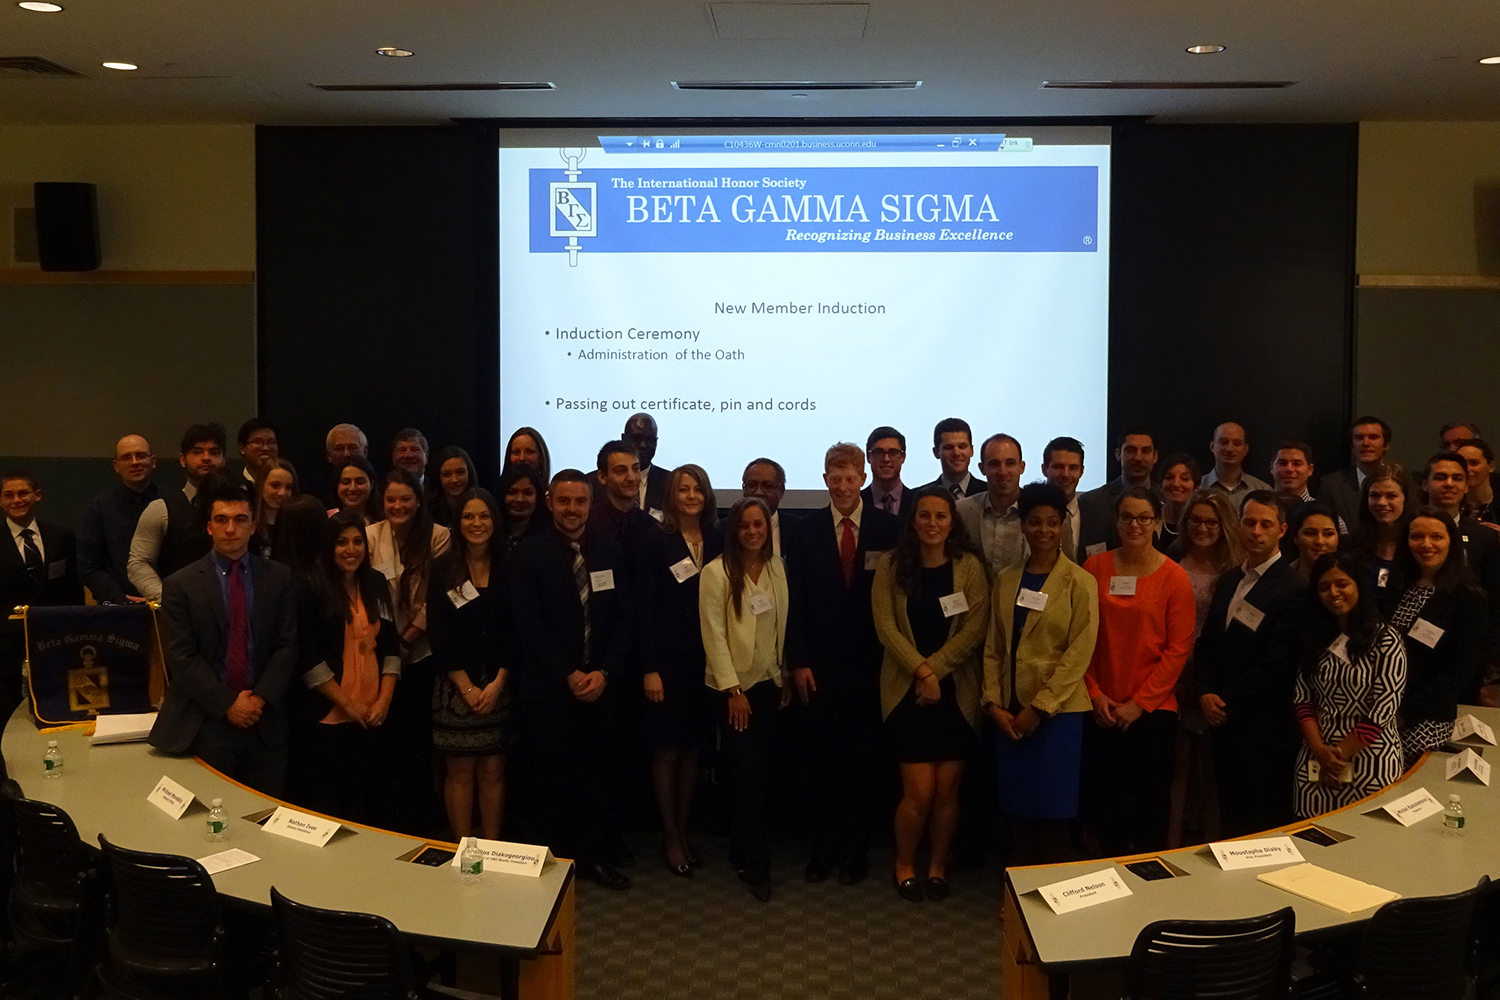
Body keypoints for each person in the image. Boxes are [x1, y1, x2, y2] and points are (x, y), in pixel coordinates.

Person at [509, 470, 633, 889]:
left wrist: (603, 673)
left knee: (594, 777)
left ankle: (592, 857)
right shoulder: (529, 554)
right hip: (550, 689)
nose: (572, 510)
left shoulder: (610, 551)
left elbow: (623, 622)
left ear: (589, 503)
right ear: (550, 502)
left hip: (600, 688)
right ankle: (548, 868)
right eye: (564, 501)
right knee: (548, 778)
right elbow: (528, 624)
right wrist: (568, 673)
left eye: (580, 501)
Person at [785, 443, 902, 885]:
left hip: (872, 666)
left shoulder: (888, 528)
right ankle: (823, 848)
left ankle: (856, 850)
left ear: (862, 479)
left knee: (863, 761)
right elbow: (794, 602)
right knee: (821, 761)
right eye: (835, 478)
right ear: (824, 479)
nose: (842, 486)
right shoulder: (805, 530)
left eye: (851, 478)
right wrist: (798, 661)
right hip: (818, 666)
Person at [872, 488, 989, 901]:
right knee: (918, 792)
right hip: (907, 693)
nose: (933, 524)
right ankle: (904, 863)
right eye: (925, 516)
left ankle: (938, 865)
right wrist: (922, 673)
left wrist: (935, 672)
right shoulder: (891, 565)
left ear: (952, 522)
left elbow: (975, 629)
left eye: (941, 517)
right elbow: (886, 628)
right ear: (913, 521)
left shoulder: (969, 567)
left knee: (946, 793)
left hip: (958, 694)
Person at [148, 480, 297, 795]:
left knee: (267, 818)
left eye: (240, 520)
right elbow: (181, 657)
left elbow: (287, 645)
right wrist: (229, 703)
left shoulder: (278, 577)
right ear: (209, 527)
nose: (231, 528)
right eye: (222, 520)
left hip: (265, 721)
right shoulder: (180, 585)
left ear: (253, 526)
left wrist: (257, 700)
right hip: (208, 721)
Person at [980, 483, 1098, 865]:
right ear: (1023, 526)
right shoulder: (1007, 579)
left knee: (1053, 812)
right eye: (1035, 523)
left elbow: (1079, 653)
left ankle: (1051, 902)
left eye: (1052, 522)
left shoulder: (1080, 581)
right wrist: (994, 703)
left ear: (1063, 524)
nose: (1043, 530)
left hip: (1058, 714)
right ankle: (1017, 900)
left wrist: (1040, 708)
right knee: (1017, 810)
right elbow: (994, 647)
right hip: (1010, 711)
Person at [1081, 488, 1195, 855]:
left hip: (1152, 711)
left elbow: (1178, 649)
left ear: (1157, 522)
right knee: (1105, 805)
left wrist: (1139, 704)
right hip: (1099, 706)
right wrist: (1095, 694)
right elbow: (1080, 638)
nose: (1135, 524)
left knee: (1150, 807)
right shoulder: (1094, 568)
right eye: (1127, 517)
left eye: (1144, 517)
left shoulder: (1174, 577)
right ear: (1116, 521)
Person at [1195, 489, 1306, 836]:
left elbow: (1276, 664)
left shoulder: (1292, 588)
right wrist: (1203, 692)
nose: (1256, 531)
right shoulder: (1230, 579)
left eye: (1265, 524)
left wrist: (1225, 701)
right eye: (1249, 522)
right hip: (1221, 720)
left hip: (1263, 728)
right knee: (1229, 816)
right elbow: (1208, 643)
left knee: (1262, 822)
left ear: (1282, 530)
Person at [633, 464, 722, 876]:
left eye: (697, 489)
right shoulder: (656, 540)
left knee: (692, 748)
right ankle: (670, 837)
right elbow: (644, 609)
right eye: (683, 489)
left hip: (706, 661)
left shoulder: (719, 539)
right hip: (666, 661)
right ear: (672, 496)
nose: (690, 496)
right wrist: (649, 667)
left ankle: (684, 831)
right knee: (667, 749)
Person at [700, 497, 789, 901]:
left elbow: (778, 628)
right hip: (733, 691)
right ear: (732, 531)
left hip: (770, 686)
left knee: (762, 774)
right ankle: (757, 866)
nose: (753, 532)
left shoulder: (776, 568)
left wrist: (781, 675)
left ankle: (741, 848)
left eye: (760, 525)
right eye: (745, 526)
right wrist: (732, 689)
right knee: (747, 777)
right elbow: (713, 634)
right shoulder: (715, 573)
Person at [293, 511, 401, 824]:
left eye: (357, 542)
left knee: (368, 808)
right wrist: (349, 705)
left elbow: (391, 647)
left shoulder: (377, 583)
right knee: (329, 809)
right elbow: (309, 659)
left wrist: (383, 701)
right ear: (329, 546)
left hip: (373, 715)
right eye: (341, 542)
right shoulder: (310, 587)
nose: (350, 549)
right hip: (329, 717)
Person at [365, 469, 451, 832]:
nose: (398, 506)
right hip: (379, 653)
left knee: (418, 741)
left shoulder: (438, 536)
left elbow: (438, 597)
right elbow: (366, 591)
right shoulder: (371, 535)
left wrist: (405, 642)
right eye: (391, 500)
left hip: (420, 655)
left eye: (405, 499)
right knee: (384, 741)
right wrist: (389, 646)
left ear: (418, 500)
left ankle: (422, 821)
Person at [1293, 553, 1407, 817]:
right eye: (1324, 587)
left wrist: (1338, 755)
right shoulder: (1313, 636)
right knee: (1312, 842)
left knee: (1370, 847)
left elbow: (1383, 709)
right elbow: (1303, 699)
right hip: (1316, 759)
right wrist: (1320, 751)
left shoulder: (1386, 639)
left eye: (1342, 584)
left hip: (1372, 760)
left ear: (1359, 585)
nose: (1333, 592)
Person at [429, 489, 513, 840]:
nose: (476, 524)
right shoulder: (444, 568)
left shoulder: (510, 565)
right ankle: (462, 851)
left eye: (484, 516)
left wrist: (497, 684)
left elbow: (517, 628)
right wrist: (465, 687)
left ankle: (492, 850)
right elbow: (439, 631)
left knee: (493, 771)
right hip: (454, 687)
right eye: (468, 516)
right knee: (460, 774)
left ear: (495, 521)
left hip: (499, 684)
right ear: (457, 522)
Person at [1165, 489, 1239, 846]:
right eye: (1196, 520)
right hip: (1173, 674)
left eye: (1212, 521)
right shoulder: (1171, 561)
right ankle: (1172, 842)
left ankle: (1210, 841)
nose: (1203, 528)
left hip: (1215, 678)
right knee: (1177, 768)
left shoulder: (1236, 569)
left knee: (1212, 771)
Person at [1388, 507, 1488, 764]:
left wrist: (1405, 712)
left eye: (1436, 537)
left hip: (1426, 717)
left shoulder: (1467, 597)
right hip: (1384, 707)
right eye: (1417, 536)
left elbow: (1459, 672)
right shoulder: (1398, 586)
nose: (1426, 544)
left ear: (1451, 543)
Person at [0, 471, 84, 708]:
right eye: (9, 495)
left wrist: (78, 630)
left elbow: (73, 590)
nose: (17, 500)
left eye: (23, 493)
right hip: (8, 644)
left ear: (37, 496)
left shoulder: (62, 537)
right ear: (1, 501)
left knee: (58, 704)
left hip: (55, 636)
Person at [128, 422, 227, 602]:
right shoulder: (161, 509)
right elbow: (138, 563)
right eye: (197, 452)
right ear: (182, 459)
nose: (206, 458)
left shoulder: (241, 508)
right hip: (180, 611)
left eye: (214, 452)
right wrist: (165, 597)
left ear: (224, 459)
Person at [78, 434, 159, 605]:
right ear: (116, 466)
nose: (135, 462)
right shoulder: (99, 508)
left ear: (153, 461)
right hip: (117, 609)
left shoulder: (174, 503)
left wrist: (163, 597)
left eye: (141, 455)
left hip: (168, 606)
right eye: (126, 457)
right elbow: (89, 566)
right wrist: (120, 600)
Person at [1345, 464, 1418, 604]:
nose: (1382, 502)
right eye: (1375, 495)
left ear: (1406, 499)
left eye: (1391, 496)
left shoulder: (1418, 546)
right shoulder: (1349, 545)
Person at [1076, 429, 1160, 551]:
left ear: (1155, 456)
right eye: (1130, 450)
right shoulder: (1092, 502)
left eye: (1145, 451)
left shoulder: (1166, 500)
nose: (1138, 457)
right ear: (1118, 454)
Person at [957, 433, 1027, 578]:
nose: (1002, 472)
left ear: (1022, 467)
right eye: (994, 464)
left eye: (1010, 463)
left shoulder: (1038, 512)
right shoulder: (962, 511)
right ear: (982, 468)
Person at [1318, 416, 1392, 535]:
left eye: (1373, 437)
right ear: (1352, 446)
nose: (1366, 443)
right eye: (1359, 438)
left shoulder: (1402, 482)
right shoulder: (1332, 485)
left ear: (1386, 445)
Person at [1041, 436, 1096, 562]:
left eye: (1073, 468)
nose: (1066, 474)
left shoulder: (1096, 516)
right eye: (1058, 467)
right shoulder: (1029, 516)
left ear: (1081, 471)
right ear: (1044, 469)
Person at [590, 440, 655, 542]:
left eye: (636, 469)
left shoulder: (651, 526)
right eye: (621, 471)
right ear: (603, 477)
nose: (631, 478)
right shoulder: (589, 525)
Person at [741, 458, 799, 558]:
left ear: (781, 491)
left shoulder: (799, 529)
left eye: (767, 486)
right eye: (752, 485)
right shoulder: (724, 529)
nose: (758, 492)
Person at [1203, 422, 1271, 504]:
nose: (1229, 449)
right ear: (1212, 446)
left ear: (1246, 450)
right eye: (1224, 442)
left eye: (1237, 444)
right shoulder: (1197, 488)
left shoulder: (1263, 490)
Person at [251, 459, 298, 559]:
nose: (282, 493)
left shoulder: (296, 523)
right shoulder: (248, 521)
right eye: (275, 485)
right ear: (261, 485)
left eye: (288, 487)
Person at [925, 417, 984, 498]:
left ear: (971, 450)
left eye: (962, 446)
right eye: (949, 447)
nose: (956, 453)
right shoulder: (921, 497)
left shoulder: (989, 493)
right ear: (936, 452)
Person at [623, 413, 668, 515]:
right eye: (637, 439)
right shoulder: (595, 483)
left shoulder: (670, 483)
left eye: (650, 440)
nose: (643, 445)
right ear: (623, 439)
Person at [862, 426, 912, 518]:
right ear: (868, 457)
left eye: (893, 453)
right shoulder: (856, 503)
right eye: (879, 453)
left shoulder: (918, 502)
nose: (886, 459)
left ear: (903, 457)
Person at [1156, 454, 1202, 553]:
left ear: (1196, 488)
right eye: (1169, 477)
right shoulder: (1151, 519)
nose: (1176, 484)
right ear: (1160, 485)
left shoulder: (1201, 523)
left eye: (1185, 479)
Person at [498, 463, 548, 552]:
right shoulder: (489, 536)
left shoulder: (549, 538)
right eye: (512, 492)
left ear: (538, 497)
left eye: (527, 493)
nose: (520, 499)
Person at [427, 445, 478, 528]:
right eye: (447, 474)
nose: (454, 480)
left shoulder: (483, 506)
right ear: (438, 477)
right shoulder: (427, 512)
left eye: (460, 472)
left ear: (469, 473)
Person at [1287, 502, 1340, 581]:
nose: (1320, 541)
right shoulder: (1282, 579)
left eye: (1328, 534)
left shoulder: (1356, 578)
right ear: (1295, 537)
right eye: (1310, 533)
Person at [1454, 438, 1500, 525]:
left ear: (1491, 466)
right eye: (1462, 463)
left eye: (1474, 463)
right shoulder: (1449, 503)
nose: (1467, 469)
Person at [330, 455, 382, 523]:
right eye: (346, 482)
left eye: (359, 482)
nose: (352, 488)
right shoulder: (327, 520)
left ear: (371, 484)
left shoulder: (383, 526)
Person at [236, 418, 280, 486]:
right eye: (257, 442)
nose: (266, 448)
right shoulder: (233, 484)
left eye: (271, 442)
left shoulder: (286, 482)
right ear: (242, 448)